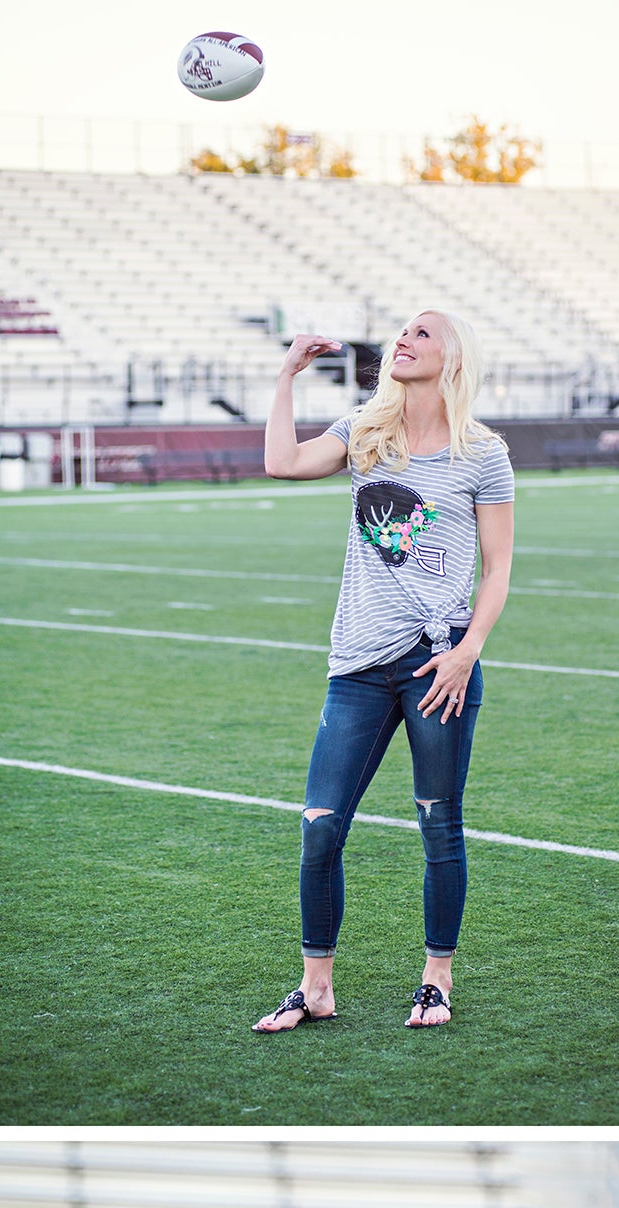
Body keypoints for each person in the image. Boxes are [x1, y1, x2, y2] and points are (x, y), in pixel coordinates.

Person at [251, 314, 514, 1035]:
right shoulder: (365, 431)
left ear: (451, 356)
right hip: (358, 666)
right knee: (320, 826)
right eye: (402, 331)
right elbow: (283, 462)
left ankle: (436, 979)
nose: (404, 339)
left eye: (422, 333)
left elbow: (498, 569)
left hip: (440, 663)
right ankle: (316, 987)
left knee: (439, 823)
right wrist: (286, 377)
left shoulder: (484, 454)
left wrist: (469, 649)